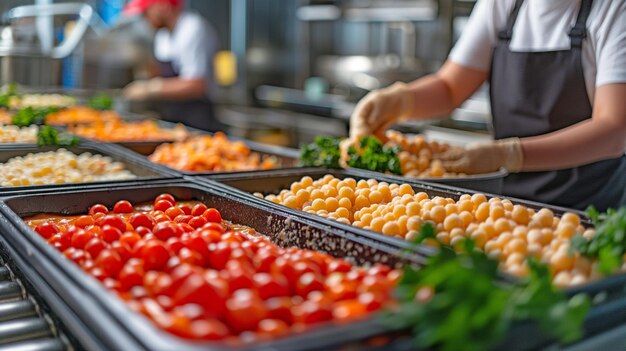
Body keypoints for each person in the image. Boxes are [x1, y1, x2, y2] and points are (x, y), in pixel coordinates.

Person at [349, 0, 626, 211]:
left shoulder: (614, 9)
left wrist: (509, 154)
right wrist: (397, 100)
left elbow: (613, 129)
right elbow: (449, 88)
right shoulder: (503, 4)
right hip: (507, 205)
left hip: (591, 207)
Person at [122, 0, 223, 131]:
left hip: (197, 118)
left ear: (163, 6)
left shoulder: (192, 28)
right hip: (172, 116)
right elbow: (163, 70)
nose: (144, 18)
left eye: (146, 12)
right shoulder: (162, 34)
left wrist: (151, 88)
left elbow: (197, 85)